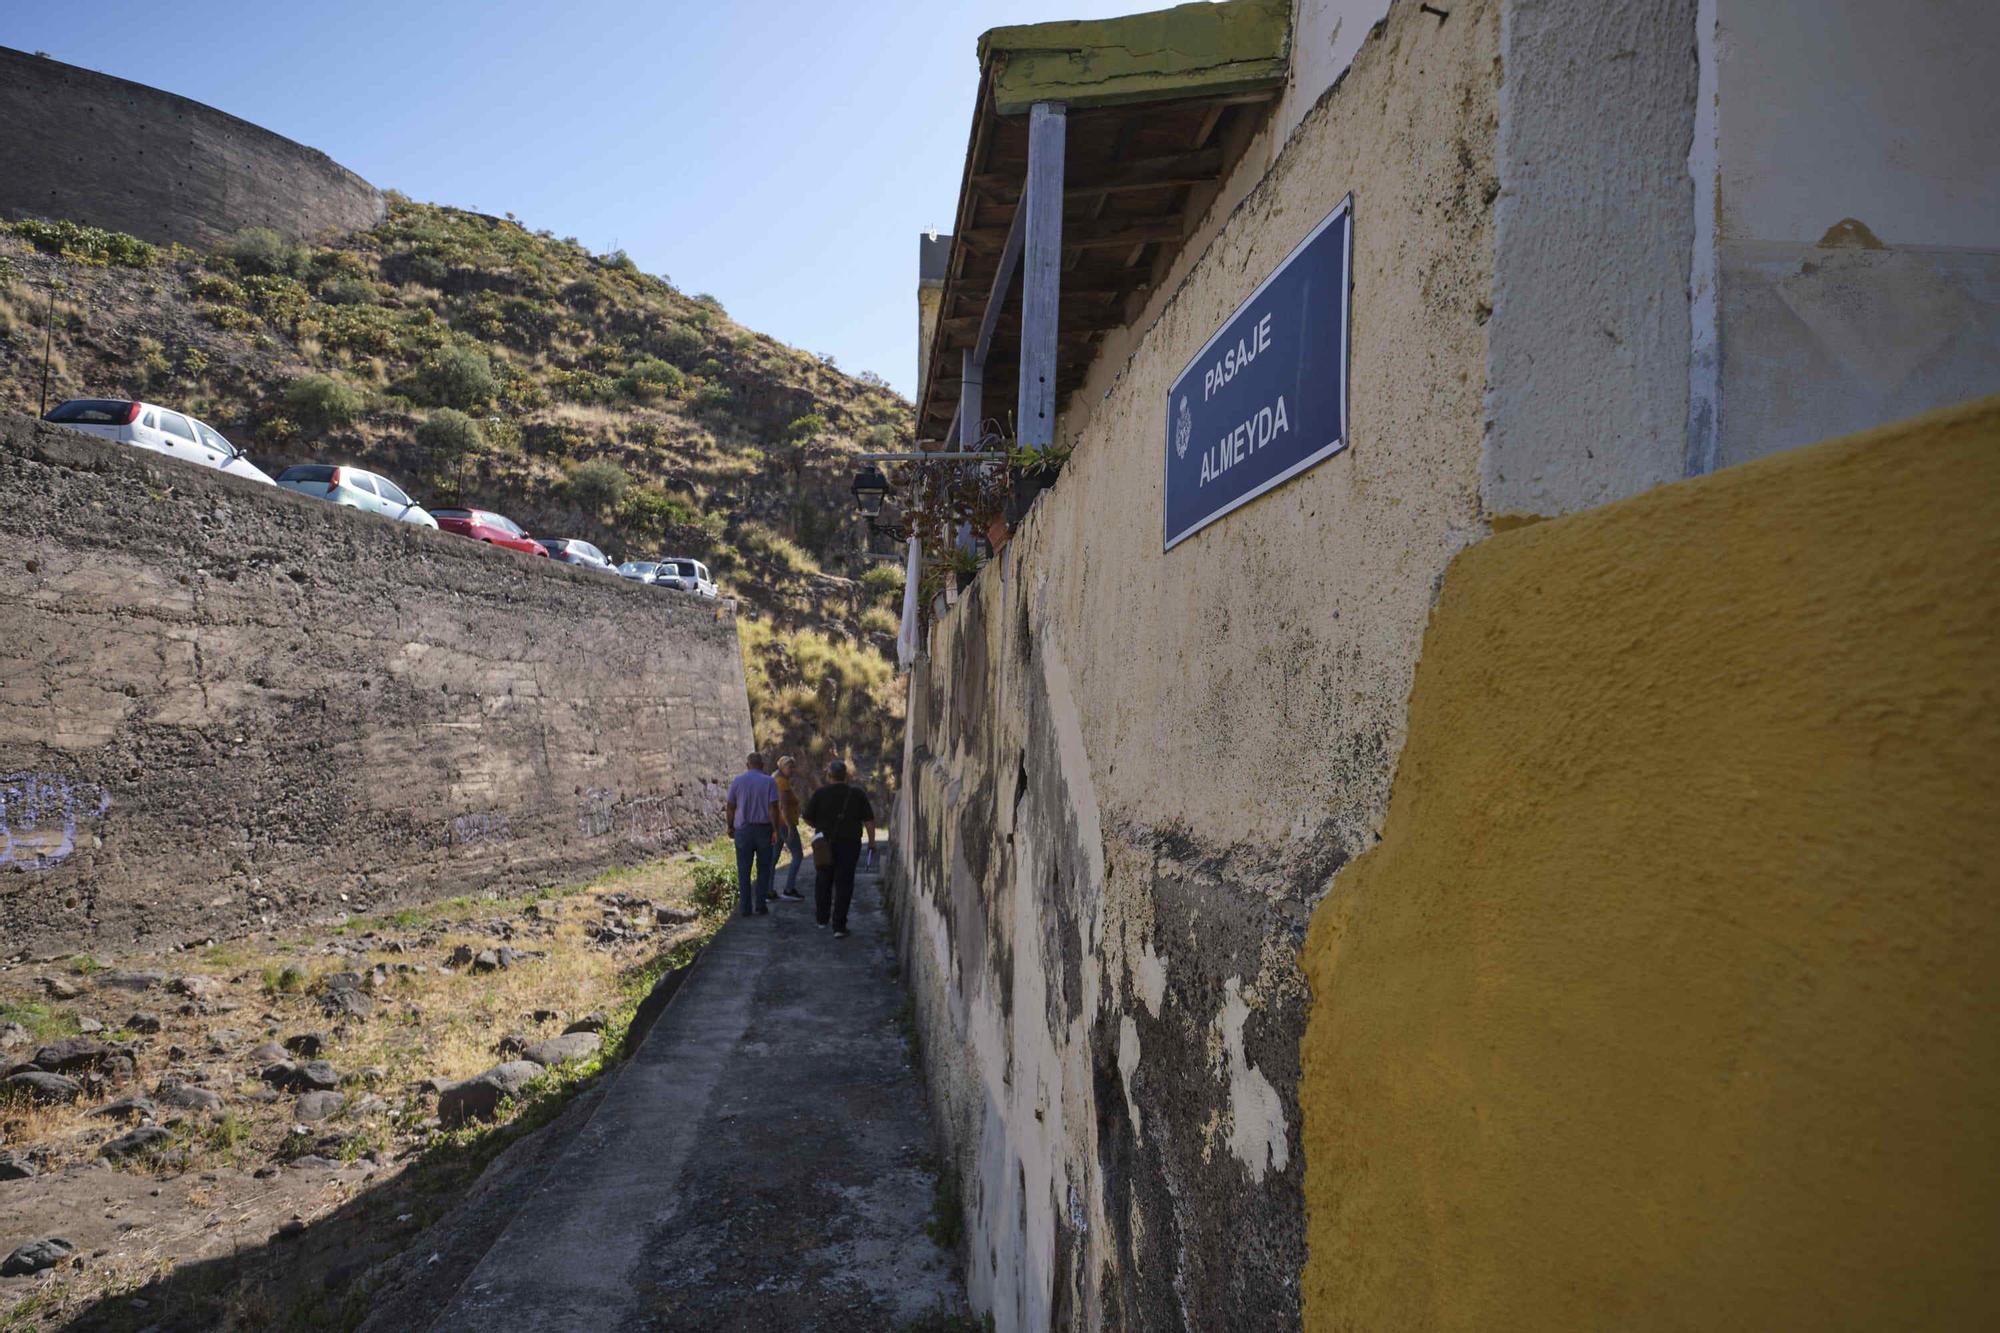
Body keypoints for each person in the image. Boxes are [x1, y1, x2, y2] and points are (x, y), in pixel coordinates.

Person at [802, 759, 876, 938]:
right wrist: (872, 842)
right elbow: (869, 821)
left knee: (823, 881)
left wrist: (819, 826)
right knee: (844, 883)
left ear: (829, 776)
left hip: (824, 844)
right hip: (850, 845)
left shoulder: (820, 793)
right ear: (846, 776)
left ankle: (821, 920)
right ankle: (839, 926)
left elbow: (807, 817)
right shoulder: (857, 794)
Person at [724, 751, 783, 916]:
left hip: (743, 830)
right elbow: (773, 808)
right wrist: (775, 830)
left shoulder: (738, 781)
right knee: (763, 869)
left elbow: (730, 806)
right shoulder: (769, 781)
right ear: (762, 766)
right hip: (764, 830)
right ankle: (760, 905)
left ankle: (745, 908)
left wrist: (730, 827)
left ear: (747, 765)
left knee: (744, 870)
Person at [773, 755, 807, 900]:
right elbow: (783, 806)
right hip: (785, 824)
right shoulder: (781, 782)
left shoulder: (777, 779)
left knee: (773, 857)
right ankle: (789, 889)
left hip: (778, 824)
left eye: (793, 766)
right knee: (798, 855)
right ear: (782, 766)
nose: (792, 770)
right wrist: (791, 827)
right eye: (789, 767)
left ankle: (768, 891)